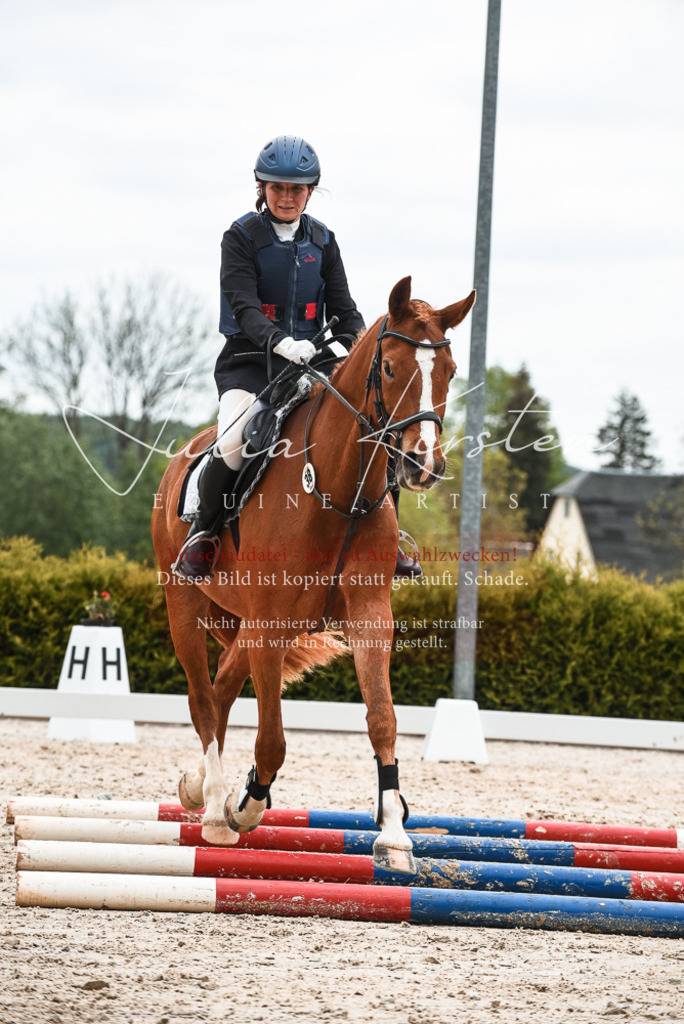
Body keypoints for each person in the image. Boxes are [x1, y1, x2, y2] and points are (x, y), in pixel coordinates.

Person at [174, 135, 420, 580]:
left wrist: (358, 344)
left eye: (297, 190)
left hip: (314, 363)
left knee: (372, 430)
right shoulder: (241, 237)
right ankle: (205, 533)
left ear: (310, 191)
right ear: (261, 188)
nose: (287, 198)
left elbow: (344, 310)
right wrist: (279, 342)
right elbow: (244, 306)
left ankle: (390, 535)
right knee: (232, 441)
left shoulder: (324, 241)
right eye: (277, 188)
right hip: (250, 362)